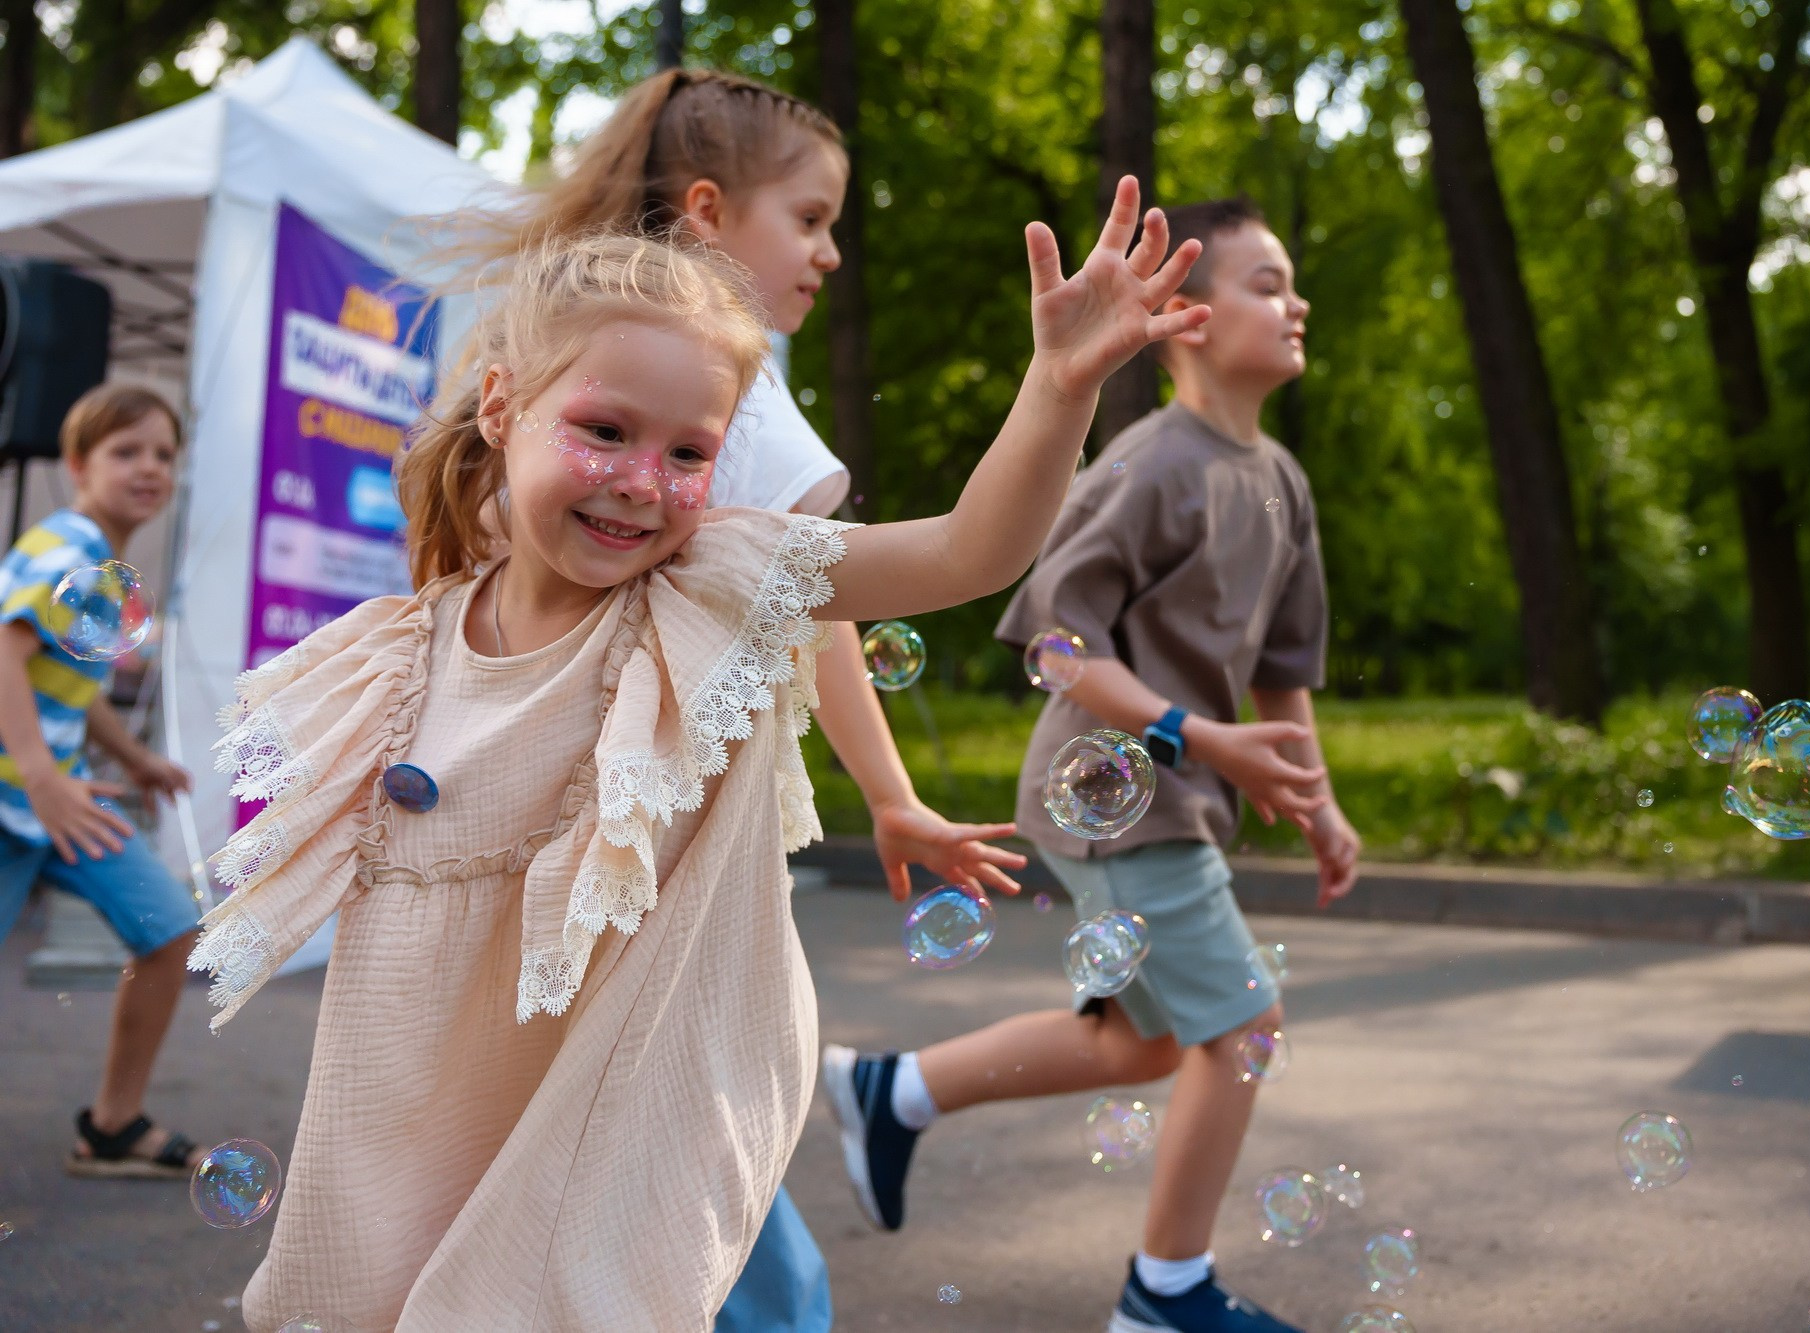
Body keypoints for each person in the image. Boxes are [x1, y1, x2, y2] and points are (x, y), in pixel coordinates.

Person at [190, 184, 1206, 1330]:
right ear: (499, 405)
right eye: (604, 430)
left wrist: (1059, 387)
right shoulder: (400, 654)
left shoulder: (717, 590)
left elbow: (969, 551)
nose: (640, 481)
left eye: (689, 451)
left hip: (619, 1117)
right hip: (415, 1109)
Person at [489, 67, 1031, 1332]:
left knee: (646, 1173)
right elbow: (829, 597)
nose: (831, 254)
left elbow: (789, 600)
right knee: (716, 1219)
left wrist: (889, 795)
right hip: (658, 842)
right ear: (708, 213)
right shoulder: (728, 381)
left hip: (600, 825)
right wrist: (892, 795)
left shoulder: (587, 354)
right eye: (812, 219)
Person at [823, 197, 1363, 1333]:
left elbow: (1280, 674)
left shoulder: (1285, 483)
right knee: (1243, 1027)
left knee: (1141, 1043)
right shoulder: (1148, 463)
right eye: (1268, 281)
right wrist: (1194, 738)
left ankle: (892, 1090)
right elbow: (1059, 644)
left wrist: (1319, 805)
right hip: (1119, 803)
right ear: (1188, 317)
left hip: (1175, 796)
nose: (1294, 299)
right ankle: (1163, 1295)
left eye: (1291, 279)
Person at [0, 383, 202, 1178]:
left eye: (163, 454)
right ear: (79, 463)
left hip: (62, 803)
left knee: (168, 927)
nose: (149, 468)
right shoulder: (65, 547)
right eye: (127, 451)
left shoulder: (106, 572)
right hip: (22, 800)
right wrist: (43, 779)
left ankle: (112, 1125)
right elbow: (5, 655)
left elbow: (66, 685)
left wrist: (135, 757)